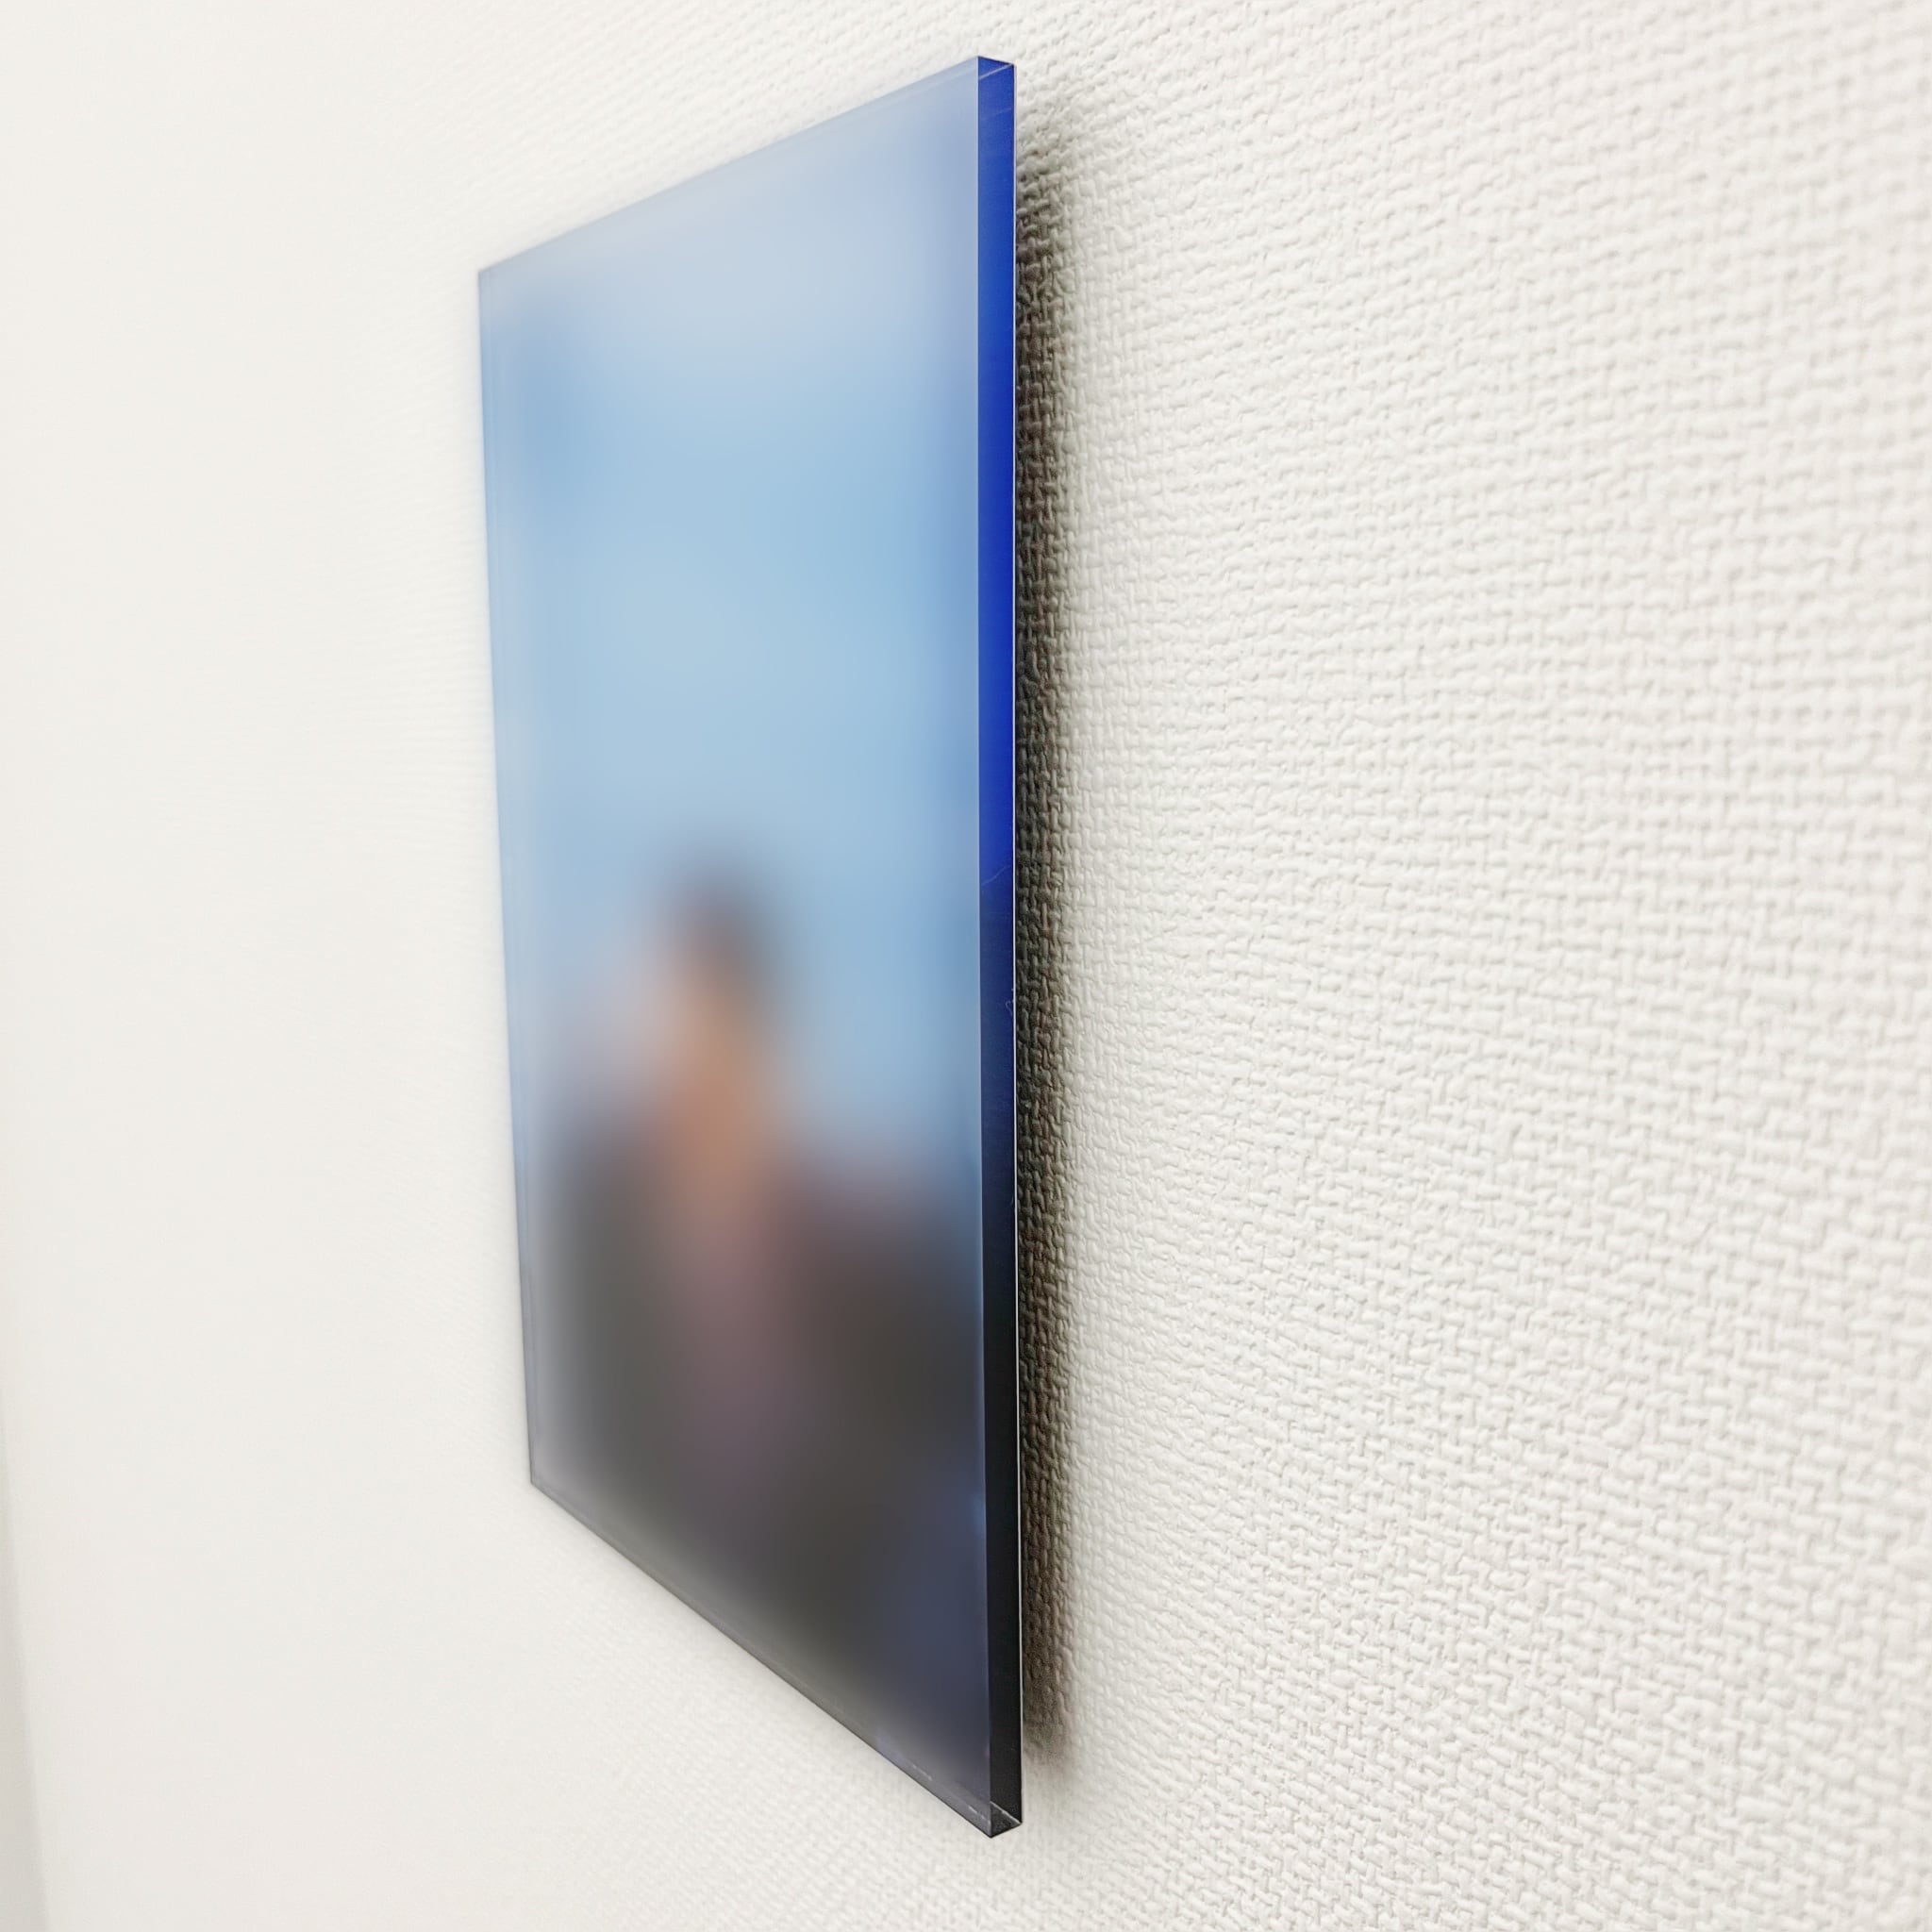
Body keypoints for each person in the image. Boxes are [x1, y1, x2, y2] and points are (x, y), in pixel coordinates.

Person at [538, 886, 989, 1792]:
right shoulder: (593, 1222)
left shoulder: (865, 1242)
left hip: (854, 1637)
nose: (684, 1101)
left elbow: (939, 1474)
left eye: (712, 1058)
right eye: (666, 1067)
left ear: (760, 1053)